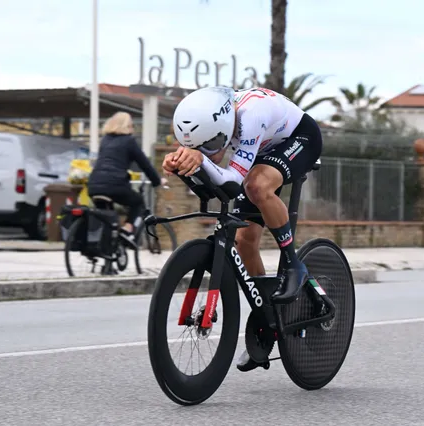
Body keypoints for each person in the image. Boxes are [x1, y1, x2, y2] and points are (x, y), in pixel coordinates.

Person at [162, 86, 323, 372]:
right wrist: (180, 164)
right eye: (198, 146)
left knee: (257, 186)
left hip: (299, 138)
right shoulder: (209, 118)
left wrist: (200, 162)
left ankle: (293, 262)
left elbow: (233, 180)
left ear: (223, 129)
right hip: (261, 147)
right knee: (244, 240)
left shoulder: (251, 115)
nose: (205, 152)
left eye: (210, 145)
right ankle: (267, 314)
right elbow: (213, 177)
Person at [87, 112, 164, 245]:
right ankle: (127, 230)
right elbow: (144, 164)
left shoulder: (105, 140)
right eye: (131, 125)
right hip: (114, 185)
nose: (133, 128)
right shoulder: (129, 141)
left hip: (94, 185)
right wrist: (157, 181)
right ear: (127, 126)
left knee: (108, 220)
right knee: (138, 203)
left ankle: (107, 252)